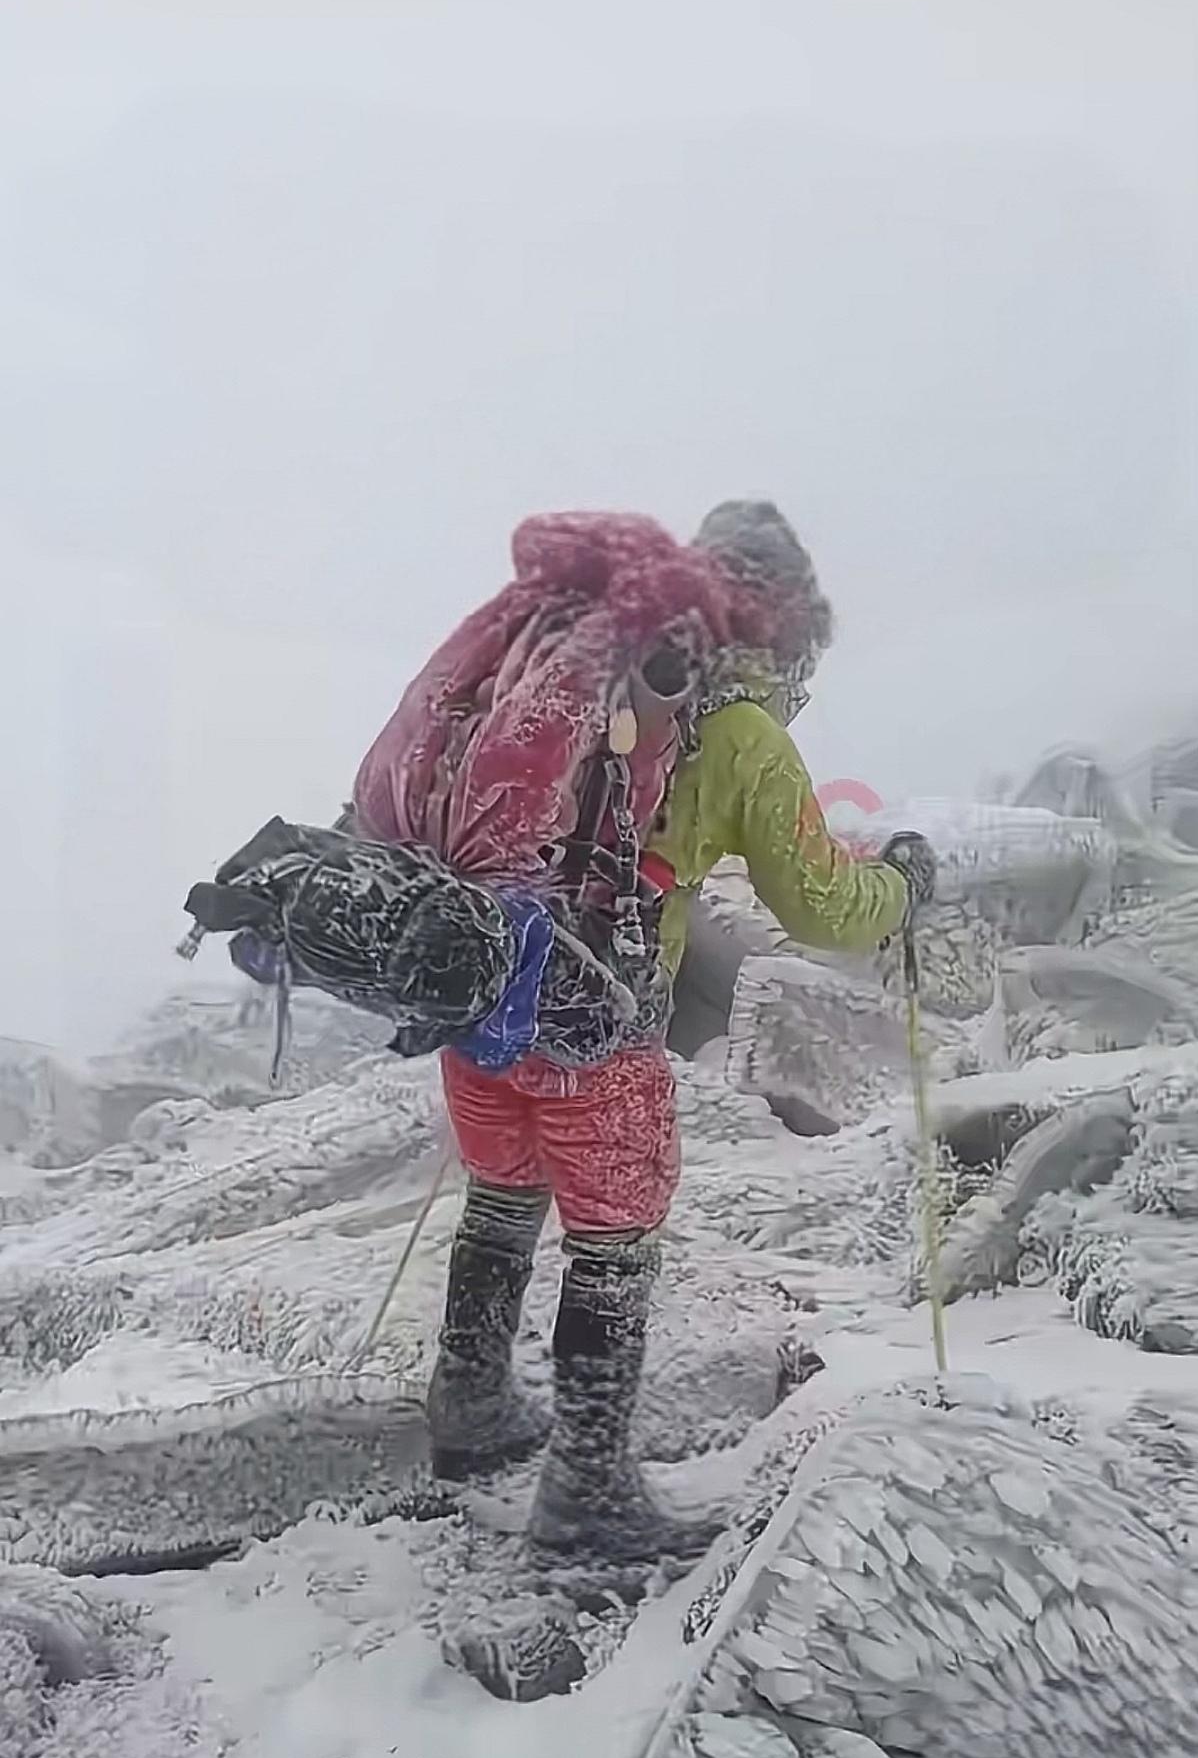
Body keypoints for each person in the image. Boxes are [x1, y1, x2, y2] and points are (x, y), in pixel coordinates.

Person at [352, 502, 934, 1565]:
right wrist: (899, 887)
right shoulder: (738, 730)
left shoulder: (585, 662)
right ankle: (588, 1491)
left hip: (480, 993)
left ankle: (470, 1397)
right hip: (593, 1023)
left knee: (501, 1195)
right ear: (788, 624)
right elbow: (817, 907)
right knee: (614, 1240)